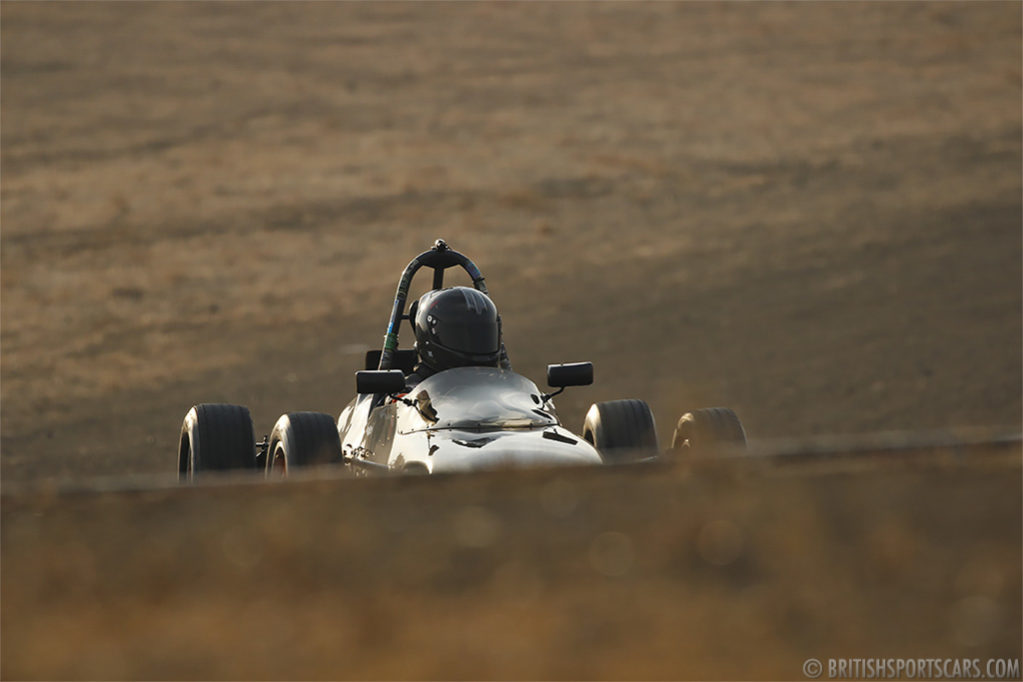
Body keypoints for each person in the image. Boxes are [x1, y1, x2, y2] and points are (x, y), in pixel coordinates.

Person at [405, 286, 502, 387]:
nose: (477, 344)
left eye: (483, 336)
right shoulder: (411, 390)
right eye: (461, 338)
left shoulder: (502, 388)